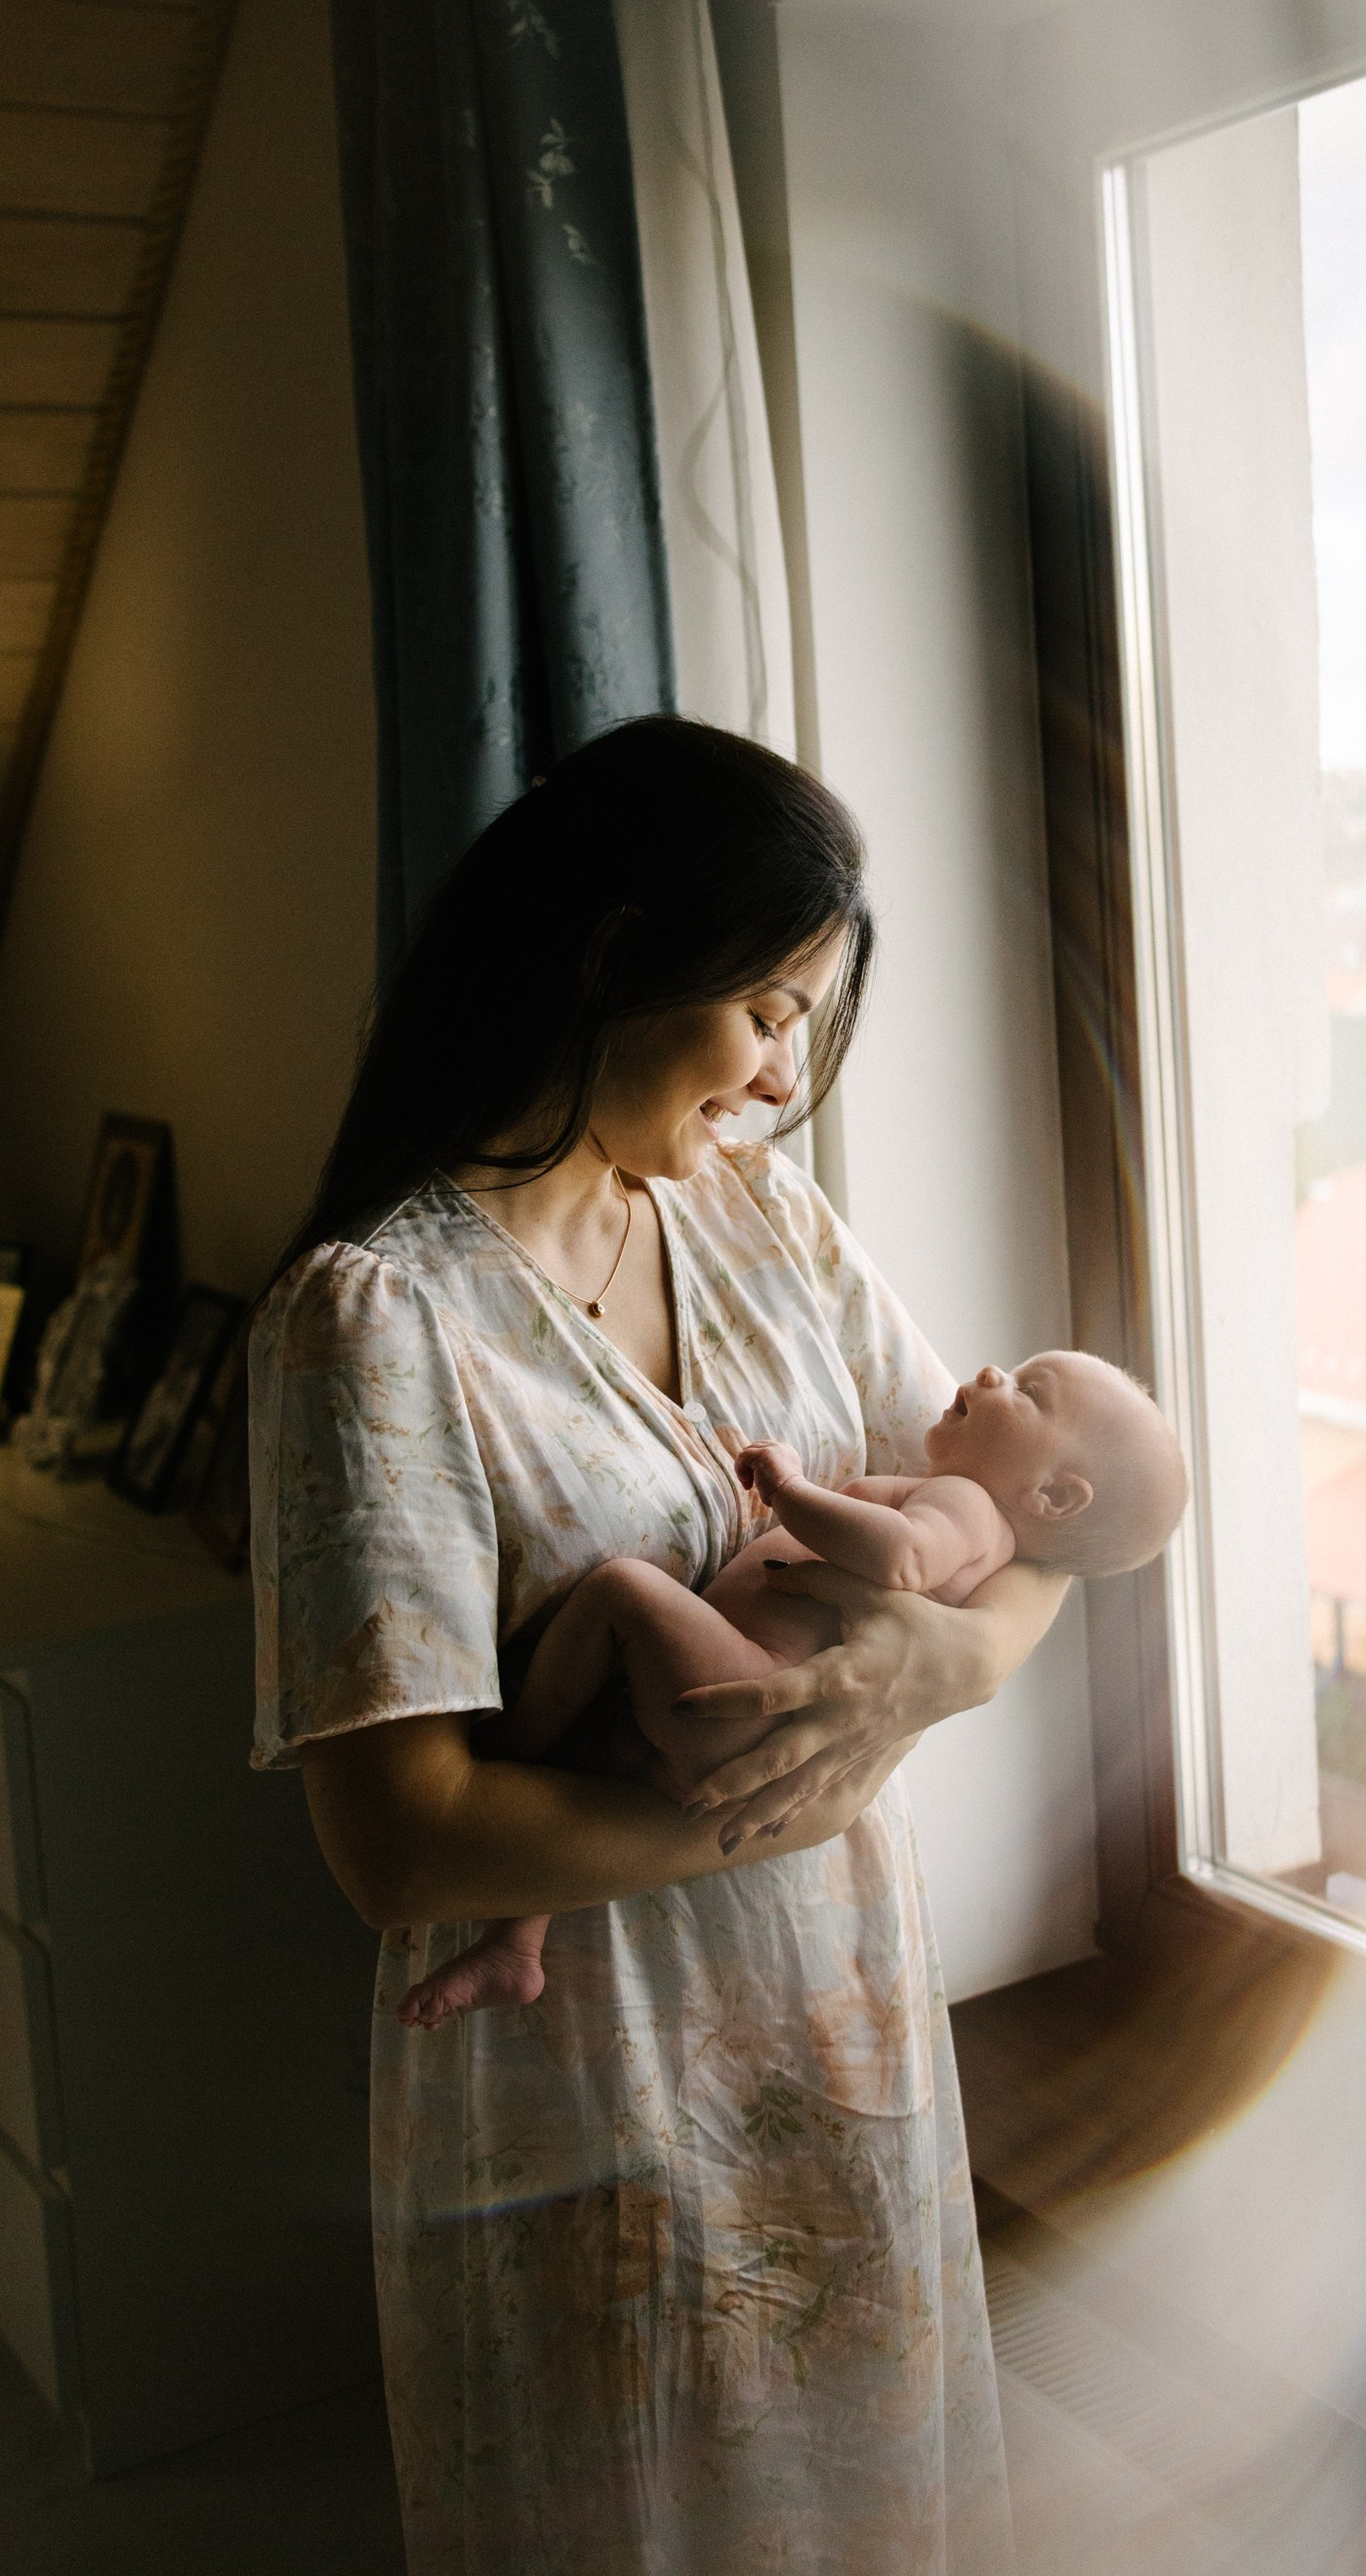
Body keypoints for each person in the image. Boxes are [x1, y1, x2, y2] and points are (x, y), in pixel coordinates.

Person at [250, 718, 1072, 2576]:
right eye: (769, 1012)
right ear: (622, 955)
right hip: (581, 2085)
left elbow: (1031, 1510)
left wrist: (955, 1668)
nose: (784, 1081)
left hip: (839, 2030)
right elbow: (401, 1843)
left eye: (802, 1025)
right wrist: (783, 1808)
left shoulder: (761, 1219)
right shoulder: (370, 1324)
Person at [397, 1353, 1188, 2030]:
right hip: (750, 1720)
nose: (989, 1372)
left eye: (1029, 1390)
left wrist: (791, 1489)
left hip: (750, 1689)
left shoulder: (968, 1506)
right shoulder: (990, 1529)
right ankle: (518, 1946)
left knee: (621, 1594)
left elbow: (905, 1559)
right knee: (590, 1767)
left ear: (1053, 1496)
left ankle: (510, 1744)